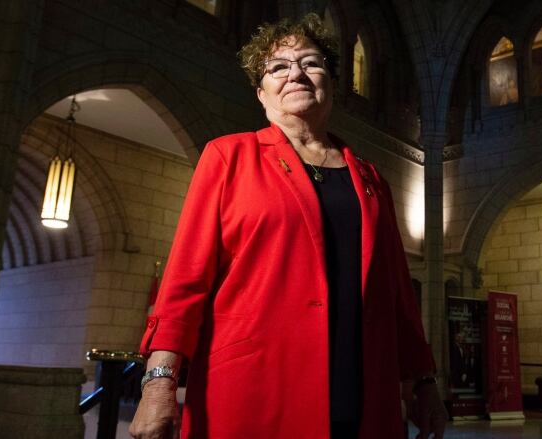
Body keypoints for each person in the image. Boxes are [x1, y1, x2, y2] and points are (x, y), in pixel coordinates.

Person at [129, 13, 447, 439]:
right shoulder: (228, 157)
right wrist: (158, 382)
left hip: (363, 393)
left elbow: (398, 296)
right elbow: (185, 280)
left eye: (311, 63)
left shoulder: (372, 180)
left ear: (333, 83)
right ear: (262, 94)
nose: (296, 72)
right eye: (278, 67)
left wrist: (423, 381)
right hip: (255, 390)